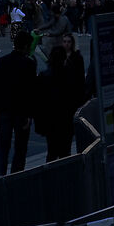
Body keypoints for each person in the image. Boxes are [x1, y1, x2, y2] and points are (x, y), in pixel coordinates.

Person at [0, 29, 38, 174]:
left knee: (3, 147)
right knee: (20, 147)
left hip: (3, 108)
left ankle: (0, 176)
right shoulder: (28, 64)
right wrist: (30, 114)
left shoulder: (1, 62)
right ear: (25, 46)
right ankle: (16, 175)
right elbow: (30, 91)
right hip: (20, 111)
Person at [35, 34, 87, 163]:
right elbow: (76, 95)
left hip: (51, 119)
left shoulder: (44, 76)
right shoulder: (69, 75)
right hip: (65, 118)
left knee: (52, 152)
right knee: (65, 151)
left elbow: (38, 101)